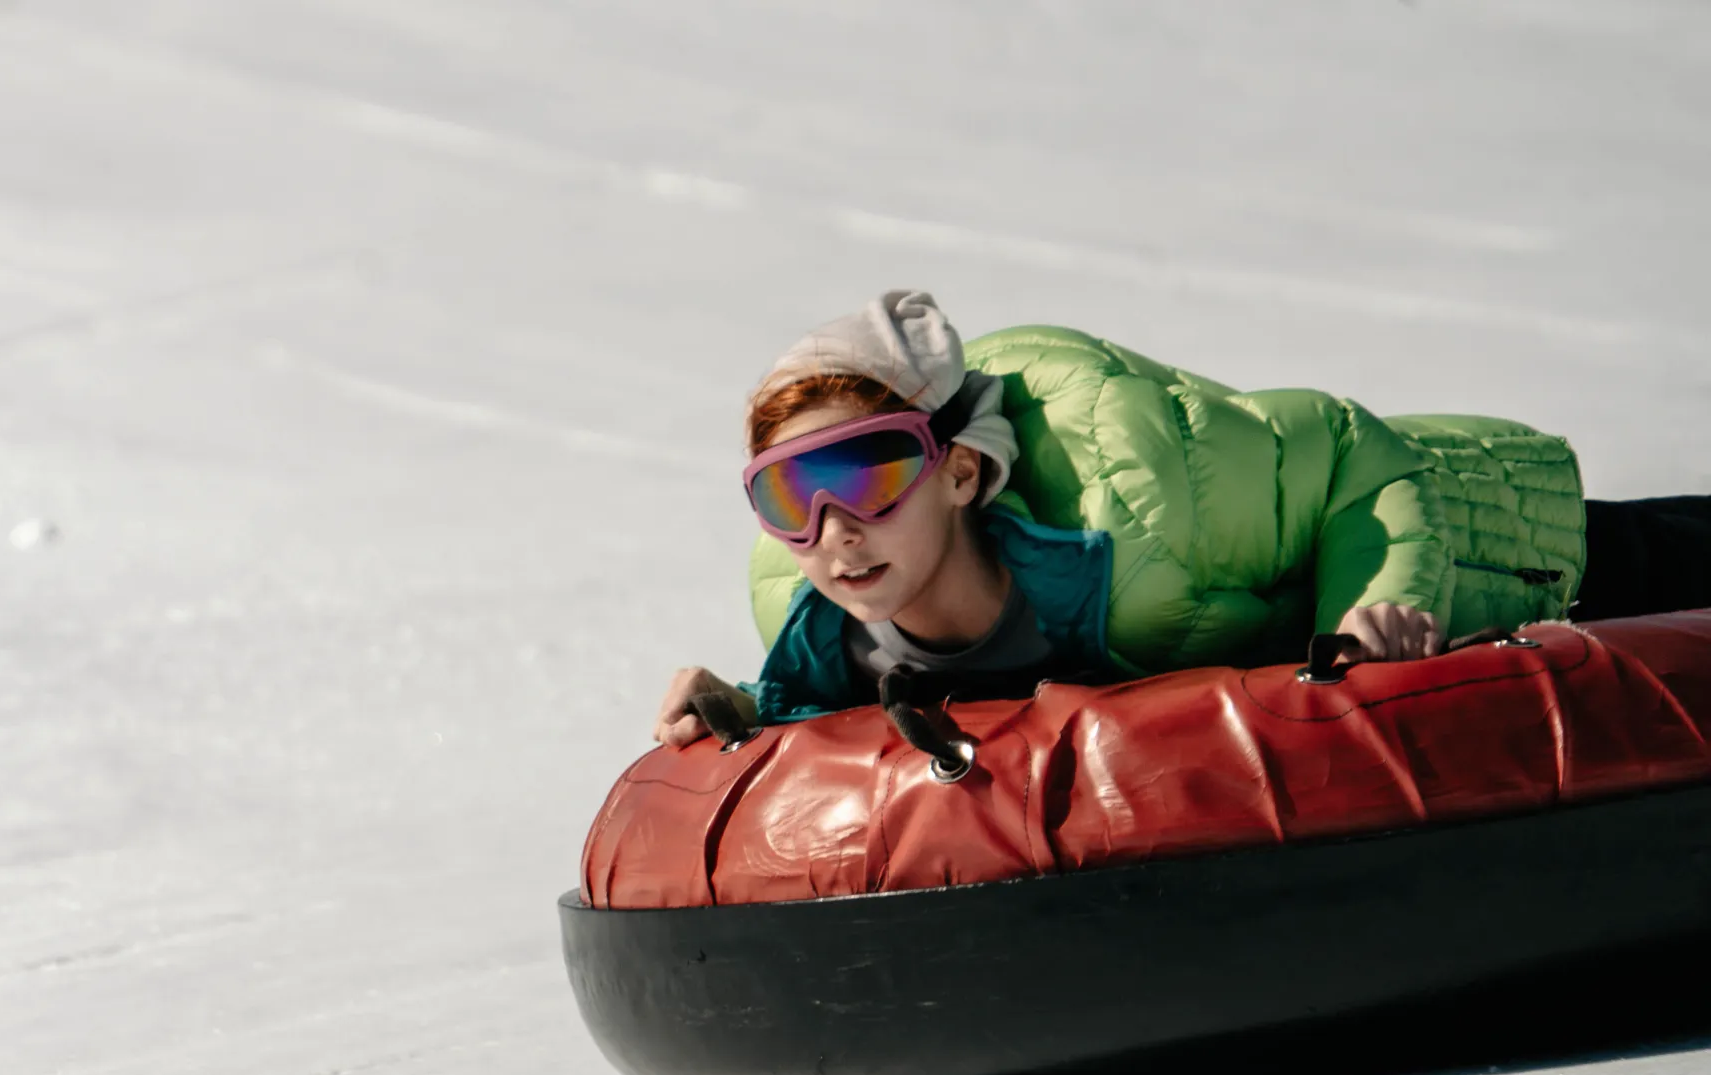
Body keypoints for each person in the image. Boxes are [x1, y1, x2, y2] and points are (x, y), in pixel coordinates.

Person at [656, 291, 1711, 749]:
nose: (834, 527)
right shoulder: (825, 629)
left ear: (965, 472)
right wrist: (736, 716)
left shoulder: (1141, 495)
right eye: (791, 496)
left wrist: (1374, 612)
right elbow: (811, 722)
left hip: (1524, 553)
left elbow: (1353, 453)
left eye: (870, 471)